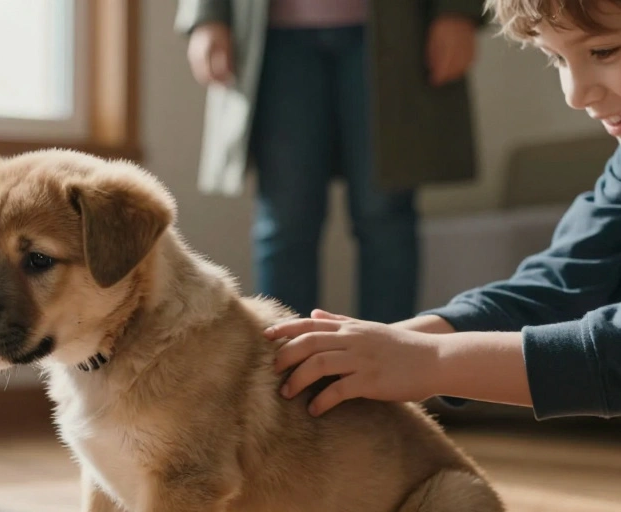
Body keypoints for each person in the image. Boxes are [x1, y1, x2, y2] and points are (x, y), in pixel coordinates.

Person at [264, 0, 621, 512]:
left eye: (603, 51)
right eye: (556, 59)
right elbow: (561, 279)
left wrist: (432, 363)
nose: (575, 93)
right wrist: (392, 347)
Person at [174, 0, 483, 323]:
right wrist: (207, 15)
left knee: (385, 217)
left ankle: (390, 350)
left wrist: (456, 9)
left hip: (396, 28)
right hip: (274, 37)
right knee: (286, 220)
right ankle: (284, 352)